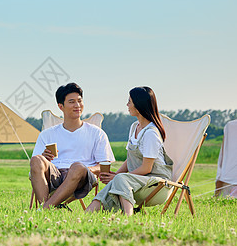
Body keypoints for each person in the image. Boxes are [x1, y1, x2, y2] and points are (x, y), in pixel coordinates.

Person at [86, 86, 173, 216]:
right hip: (137, 181)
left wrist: (118, 177)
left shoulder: (151, 134)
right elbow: (130, 160)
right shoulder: (134, 127)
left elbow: (147, 168)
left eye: (130, 101)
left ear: (139, 105)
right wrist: (114, 176)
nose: (127, 104)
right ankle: (87, 214)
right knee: (118, 180)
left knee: (120, 179)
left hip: (157, 184)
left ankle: (128, 217)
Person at [30, 82, 115, 209]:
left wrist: (86, 168)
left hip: (82, 178)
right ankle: (48, 208)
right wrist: (44, 157)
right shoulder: (47, 134)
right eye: (71, 102)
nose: (77, 105)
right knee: (36, 159)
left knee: (76, 166)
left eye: (79, 101)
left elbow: (104, 166)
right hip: (54, 175)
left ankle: (45, 209)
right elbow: (36, 166)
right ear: (61, 106)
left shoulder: (97, 133)